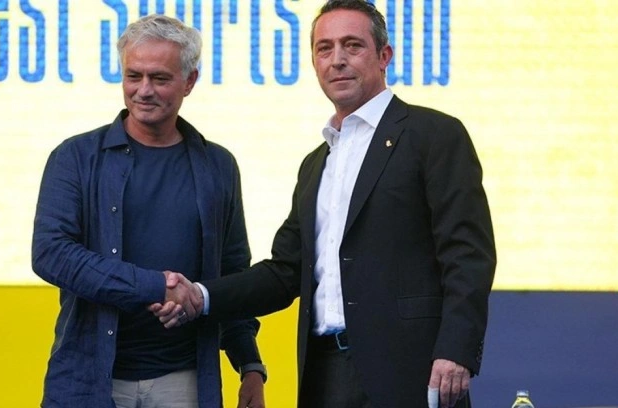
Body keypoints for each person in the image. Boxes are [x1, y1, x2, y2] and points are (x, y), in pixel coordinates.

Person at [153, 1, 496, 407]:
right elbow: (285, 272)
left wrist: (456, 349)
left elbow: (467, 255)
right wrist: (201, 295)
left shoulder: (434, 135)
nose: (337, 60)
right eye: (324, 48)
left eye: (353, 45)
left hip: (411, 372)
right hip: (324, 374)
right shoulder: (315, 164)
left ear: (384, 56)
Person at [31, 14, 266, 408]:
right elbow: (51, 254)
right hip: (89, 380)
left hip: (185, 381)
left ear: (190, 81)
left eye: (159, 78)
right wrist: (154, 286)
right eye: (133, 76)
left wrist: (250, 365)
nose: (144, 90)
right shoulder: (75, 157)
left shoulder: (219, 166)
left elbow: (232, 275)